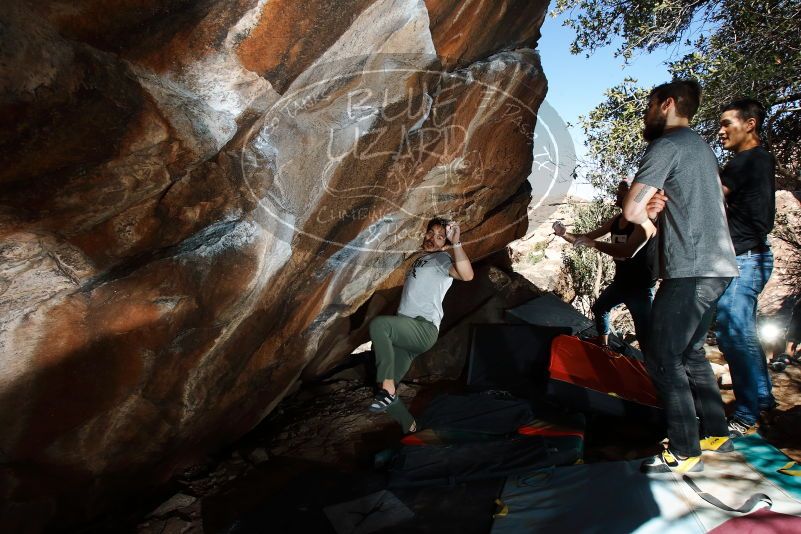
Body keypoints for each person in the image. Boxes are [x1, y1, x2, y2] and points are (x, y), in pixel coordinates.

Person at [622, 80, 739, 474]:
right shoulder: (700, 147)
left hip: (690, 269)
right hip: (719, 266)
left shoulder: (666, 145)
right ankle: (715, 431)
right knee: (690, 354)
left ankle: (685, 450)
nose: (646, 113)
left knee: (661, 358)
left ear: (667, 104)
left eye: (650, 105)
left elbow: (630, 210)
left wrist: (647, 213)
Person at [367, 218, 474, 433]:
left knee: (380, 326)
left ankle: (387, 388)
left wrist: (456, 243)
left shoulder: (442, 259)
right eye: (430, 233)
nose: (432, 239)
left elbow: (467, 276)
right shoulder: (420, 258)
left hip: (423, 328)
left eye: (439, 237)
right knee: (384, 391)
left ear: (444, 244)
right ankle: (412, 427)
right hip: (406, 334)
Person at [713, 99, 777, 437]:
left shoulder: (744, 162)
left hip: (743, 260)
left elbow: (709, 198)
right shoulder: (760, 159)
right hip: (754, 257)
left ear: (749, 124)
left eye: (726, 123)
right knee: (745, 335)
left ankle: (746, 413)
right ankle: (763, 397)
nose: (720, 130)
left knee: (733, 335)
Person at [553, 180, 657, 352]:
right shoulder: (616, 220)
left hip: (640, 289)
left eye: (623, 190)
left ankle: (653, 371)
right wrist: (564, 234)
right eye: (619, 190)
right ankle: (603, 345)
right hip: (621, 283)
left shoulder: (643, 224)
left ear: (633, 196)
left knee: (644, 334)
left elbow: (627, 252)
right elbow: (586, 237)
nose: (618, 194)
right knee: (600, 308)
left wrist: (592, 244)